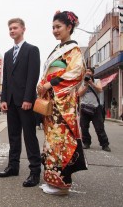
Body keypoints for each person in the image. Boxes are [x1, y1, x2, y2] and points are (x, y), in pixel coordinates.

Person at [37, 11, 88, 195]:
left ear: (69, 27)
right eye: (53, 27)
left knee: (61, 142)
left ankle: (62, 185)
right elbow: (48, 72)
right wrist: (42, 84)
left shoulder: (73, 51)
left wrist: (50, 83)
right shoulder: (58, 50)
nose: (55, 30)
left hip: (63, 103)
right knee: (51, 142)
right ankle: (52, 181)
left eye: (58, 27)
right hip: (52, 102)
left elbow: (76, 74)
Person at [0, 18, 42, 188]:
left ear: (23, 29)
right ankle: (13, 166)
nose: (12, 30)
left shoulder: (32, 50)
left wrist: (28, 98)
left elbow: (33, 75)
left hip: (25, 101)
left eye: (15, 27)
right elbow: (6, 79)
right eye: (10, 28)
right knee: (13, 136)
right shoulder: (8, 54)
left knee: (30, 136)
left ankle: (35, 171)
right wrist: (4, 99)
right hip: (12, 101)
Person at [78, 67, 111, 152]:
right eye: (86, 71)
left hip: (96, 108)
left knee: (99, 127)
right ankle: (86, 143)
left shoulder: (97, 81)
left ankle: (105, 144)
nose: (87, 72)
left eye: (89, 71)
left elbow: (100, 89)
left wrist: (91, 83)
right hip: (84, 107)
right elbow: (79, 94)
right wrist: (86, 85)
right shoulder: (82, 82)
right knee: (84, 127)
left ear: (92, 73)